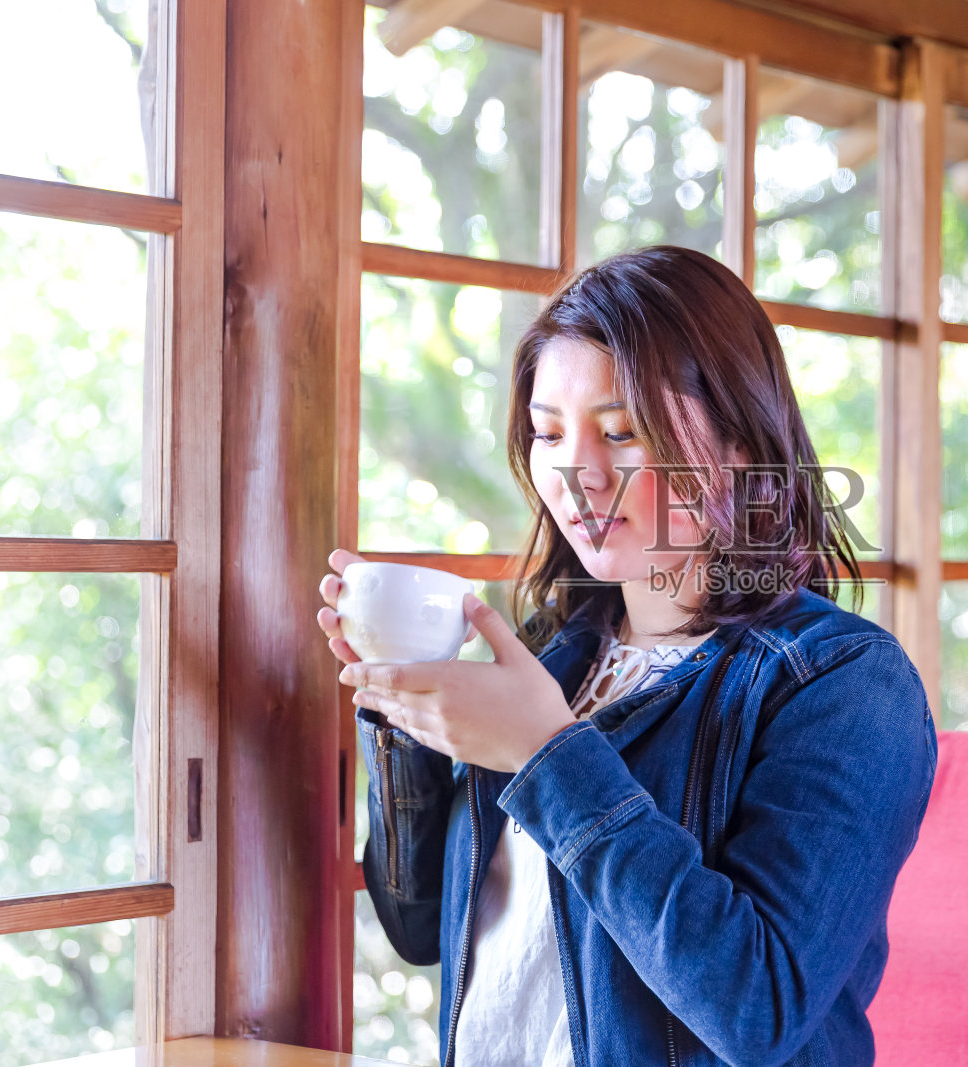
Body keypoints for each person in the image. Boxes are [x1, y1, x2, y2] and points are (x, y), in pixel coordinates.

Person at [316, 245, 936, 1067]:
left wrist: (548, 753)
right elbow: (418, 923)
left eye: (622, 432)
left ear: (742, 441)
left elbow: (758, 1007)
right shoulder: (550, 660)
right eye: (547, 433)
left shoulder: (844, 683)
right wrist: (400, 704)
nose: (579, 475)